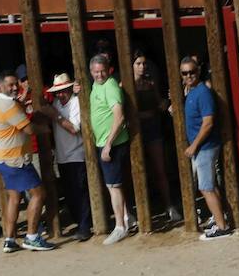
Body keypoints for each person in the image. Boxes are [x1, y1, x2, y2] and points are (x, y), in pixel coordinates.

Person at [0, 69, 55, 253]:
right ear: (0, 86)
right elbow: (29, 130)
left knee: (14, 197)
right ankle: (32, 237)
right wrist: (47, 127)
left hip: (3, 159)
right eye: (10, 85)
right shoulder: (8, 106)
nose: (14, 88)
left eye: (15, 84)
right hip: (15, 160)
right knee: (39, 194)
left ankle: (10, 239)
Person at [180, 56, 231, 240]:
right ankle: (220, 218)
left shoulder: (202, 93)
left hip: (205, 147)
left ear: (198, 71)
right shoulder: (192, 92)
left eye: (191, 72)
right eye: (185, 73)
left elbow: (208, 123)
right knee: (210, 185)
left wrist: (194, 146)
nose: (188, 76)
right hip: (203, 146)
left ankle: (222, 227)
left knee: (206, 187)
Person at [132, 48, 181, 223]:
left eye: (144, 63)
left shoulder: (150, 83)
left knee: (160, 169)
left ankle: (169, 206)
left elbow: (159, 103)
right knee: (136, 171)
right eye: (138, 63)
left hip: (152, 128)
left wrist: (167, 103)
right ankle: (141, 212)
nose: (142, 67)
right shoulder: (126, 86)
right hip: (134, 133)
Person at [89, 53, 132, 245]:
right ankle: (126, 218)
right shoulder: (96, 85)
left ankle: (120, 227)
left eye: (102, 71)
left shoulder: (111, 86)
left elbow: (119, 116)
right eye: (96, 72)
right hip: (104, 144)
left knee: (113, 186)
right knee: (114, 185)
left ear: (109, 70)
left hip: (112, 145)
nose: (99, 75)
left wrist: (108, 144)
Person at [48, 73, 93, 242]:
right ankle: (80, 223)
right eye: (57, 92)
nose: (60, 94)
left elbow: (74, 128)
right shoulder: (56, 103)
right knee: (70, 193)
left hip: (76, 154)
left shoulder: (75, 103)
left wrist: (55, 116)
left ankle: (84, 226)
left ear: (69, 89)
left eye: (63, 91)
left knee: (80, 191)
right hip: (62, 156)